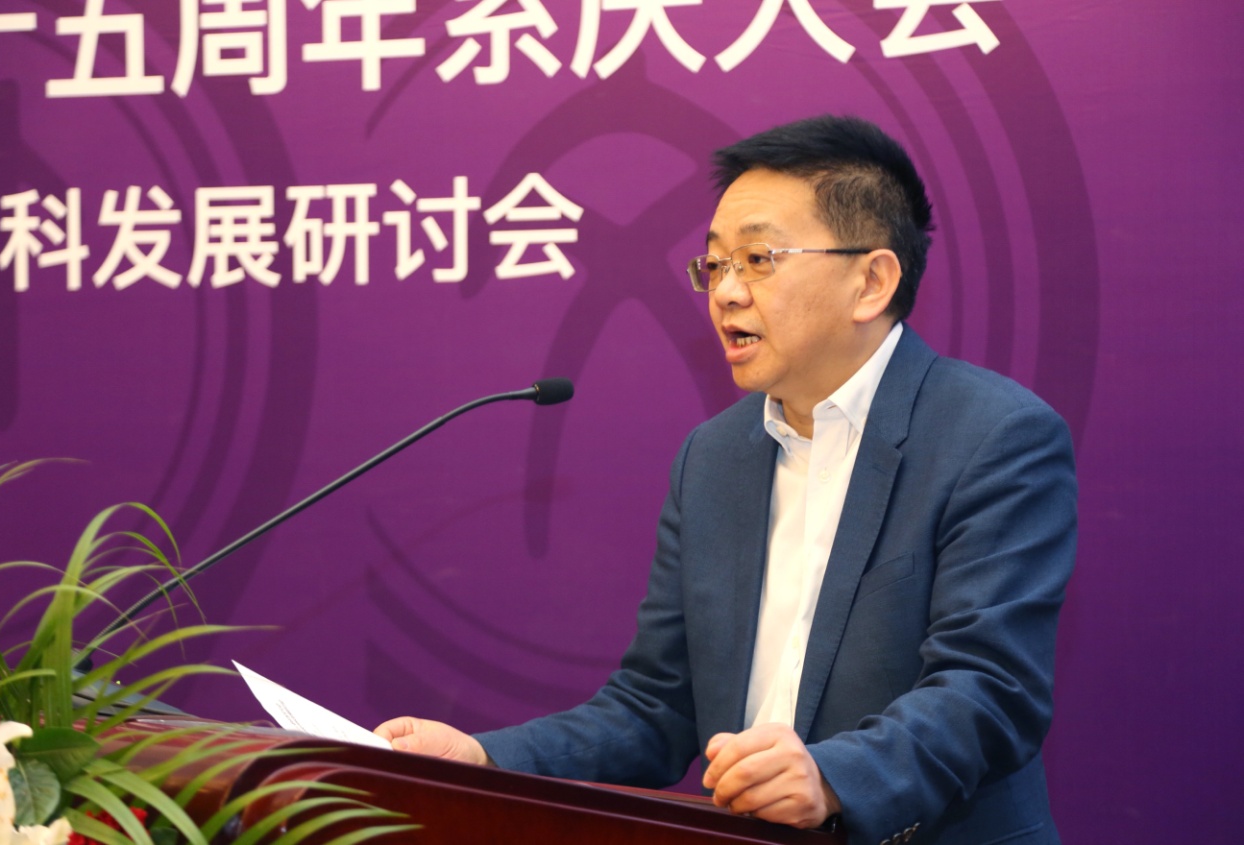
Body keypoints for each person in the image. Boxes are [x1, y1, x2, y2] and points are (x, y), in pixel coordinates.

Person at [376, 114, 1077, 845]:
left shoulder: (993, 436)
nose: (726, 293)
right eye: (715, 264)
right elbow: (657, 705)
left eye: (758, 259)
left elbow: (991, 690)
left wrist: (834, 776)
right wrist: (484, 759)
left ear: (871, 281)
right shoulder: (713, 457)